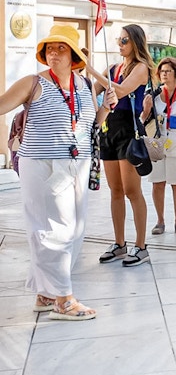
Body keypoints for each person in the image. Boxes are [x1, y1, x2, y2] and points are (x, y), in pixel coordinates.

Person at [0, 24, 117, 320]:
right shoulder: (33, 83)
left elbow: (91, 125)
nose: (53, 52)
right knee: (54, 230)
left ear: (74, 55)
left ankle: (45, 292)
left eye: (61, 48)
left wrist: (106, 109)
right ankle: (63, 299)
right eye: (49, 48)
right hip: (41, 164)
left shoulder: (84, 85)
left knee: (75, 231)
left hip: (76, 164)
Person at [86, 24, 157, 267]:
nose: (120, 44)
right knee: (115, 191)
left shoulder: (141, 68)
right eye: (119, 39)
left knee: (131, 191)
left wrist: (92, 70)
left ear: (136, 42)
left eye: (124, 40)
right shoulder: (113, 68)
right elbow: (91, 90)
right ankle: (119, 243)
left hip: (129, 131)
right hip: (109, 130)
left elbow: (121, 90)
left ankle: (141, 246)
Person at [140, 57, 176, 235]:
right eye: (162, 71)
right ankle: (160, 221)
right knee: (158, 183)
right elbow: (142, 120)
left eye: (168, 71)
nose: (164, 74)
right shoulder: (154, 94)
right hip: (157, 142)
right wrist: (146, 109)